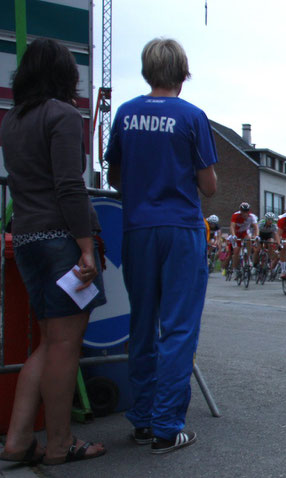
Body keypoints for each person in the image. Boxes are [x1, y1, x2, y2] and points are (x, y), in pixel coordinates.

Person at [105, 37, 217, 454]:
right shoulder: (192, 116)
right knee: (178, 328)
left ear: (146, 70)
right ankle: (167, 426)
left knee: (142, 325)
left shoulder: (125, 114)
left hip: (137, 228)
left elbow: (116, 177)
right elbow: (208, 185)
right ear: (183, 74)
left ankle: (141, 420)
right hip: (180, 229)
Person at [0, 37, 107, 466]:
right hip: (60, 240)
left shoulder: (11, 120)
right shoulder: (62, 115)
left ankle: (18, 439)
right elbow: (69, 185)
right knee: (66, 346)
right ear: (65, 75)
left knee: (48, 344)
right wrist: (86, 249)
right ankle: (60, 444)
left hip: (25, 238)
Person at [229, 202, 259, 277]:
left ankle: (248, 258)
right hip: (236, 233)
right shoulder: (235, 215)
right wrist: (233, 235)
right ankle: (235, 268)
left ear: (249, 211)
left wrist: (256, 236)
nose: (245, 214)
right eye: (243, 211)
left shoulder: (252, 217)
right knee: (236, 251)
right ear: (240, 211)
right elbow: (232, 226)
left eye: (246, 211)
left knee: (248, 239)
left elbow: (256, 228)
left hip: (244, 233)